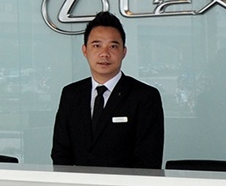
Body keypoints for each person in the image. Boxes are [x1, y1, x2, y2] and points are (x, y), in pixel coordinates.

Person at [51, 13, 164, 169]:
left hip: (125, 184)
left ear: (124, 52)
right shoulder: (71, 94)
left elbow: (149, 159)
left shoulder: (145, 96)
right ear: (85, 50)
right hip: (78, 183)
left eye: (113, 46)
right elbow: (60, 153)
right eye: (97, 45)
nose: (104, 53)